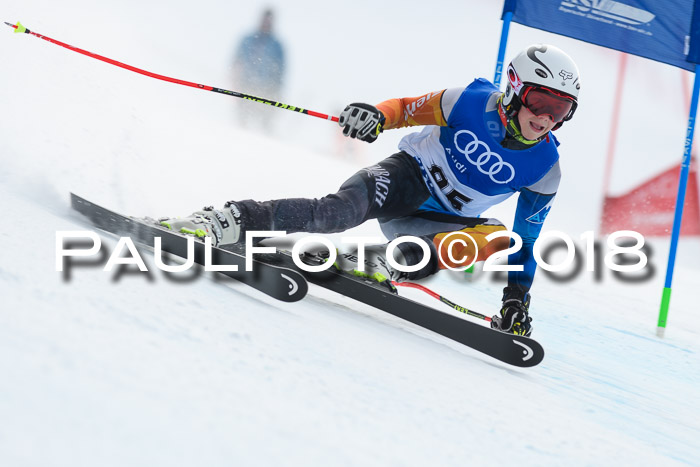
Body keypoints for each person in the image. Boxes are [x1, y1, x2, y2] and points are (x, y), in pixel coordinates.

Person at [158, 44, 581, 337]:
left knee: (498, 238)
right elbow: (403, 109)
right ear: (512, 89)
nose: (546, 118)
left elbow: (526, 245)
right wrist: (374, 115)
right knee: (335, 214)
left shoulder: (546, 169)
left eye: (560, 110)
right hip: (406, 178)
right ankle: (228, 221)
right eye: (540, 101)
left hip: (442, 222)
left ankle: (383, 263)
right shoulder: (468, 101)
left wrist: (515, 302)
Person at [232, 8, 286, 126]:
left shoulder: (276, 46)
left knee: (264, 123)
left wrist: (275, 93)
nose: (266, 23)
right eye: (265, 19)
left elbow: (279, 73)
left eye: (269, 20)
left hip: (266, 90)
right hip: (245, 85)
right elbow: (236, 62)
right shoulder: (248, 40)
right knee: (242, 121)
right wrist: (234, 82)